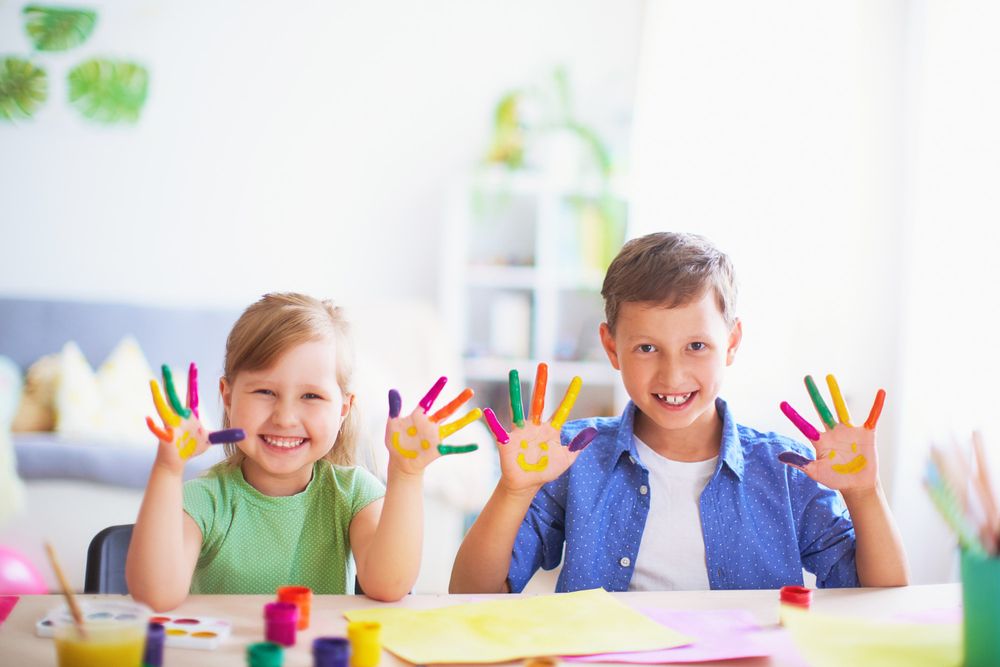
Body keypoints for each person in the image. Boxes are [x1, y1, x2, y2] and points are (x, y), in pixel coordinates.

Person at [451, 232, 909, 593]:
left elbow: (877, 593)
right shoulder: (573, 459)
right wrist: (513, 492)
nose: (673, 376)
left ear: (731, 343)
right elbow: (472, 592)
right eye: (647, 347)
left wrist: (864, 493)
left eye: (696, 346)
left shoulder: (786, 471)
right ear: (612, 347)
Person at [127, 292, 480, 610]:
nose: (285, 417)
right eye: (265, 391)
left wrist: (406, 473)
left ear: (343, 408)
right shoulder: (207, 499)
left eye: (311, 396)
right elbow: (156, 594)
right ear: (228, 396)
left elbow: (389, 585)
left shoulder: (353, 493)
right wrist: (168, 469)